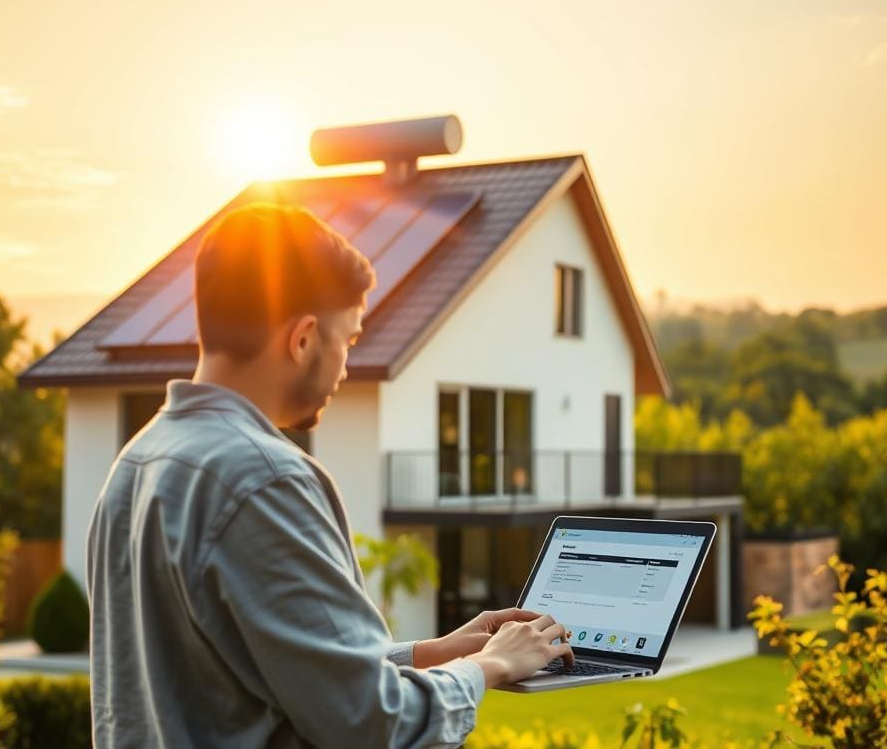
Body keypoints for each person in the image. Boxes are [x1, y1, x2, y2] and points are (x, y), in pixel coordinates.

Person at [86, 202, 574, 748]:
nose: (346, 364)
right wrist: (491, 667)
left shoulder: (136, 464)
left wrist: (432, 653)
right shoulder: (265, 479)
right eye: (350, 340)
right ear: (303, 338)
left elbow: (257, 670)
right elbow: (371, 723)